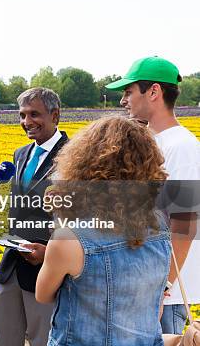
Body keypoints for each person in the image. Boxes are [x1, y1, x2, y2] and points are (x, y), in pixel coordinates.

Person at [36, 116, 170, 345]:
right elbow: (152, 313)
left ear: (82, 167)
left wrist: (62, 217)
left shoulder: (70, 239)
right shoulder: (159, 228)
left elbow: (43, 294)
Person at [106, 56, 200, 335]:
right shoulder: (147, 142)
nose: (123, 100)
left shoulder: (181, 147)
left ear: (154, 92)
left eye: (129, 91)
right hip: (141, 283)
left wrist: (163, 288)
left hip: (161, 294)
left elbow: (184, 225)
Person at [0, 87, 68, 346]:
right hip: (11, 263)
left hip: (47, 269)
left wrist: (50, 252)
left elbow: (80, 216)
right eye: (22, 115)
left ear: (54, 115)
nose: (26, 122)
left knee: (44, 340)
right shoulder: (21, 153)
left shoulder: (74, 156)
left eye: (34, 114)